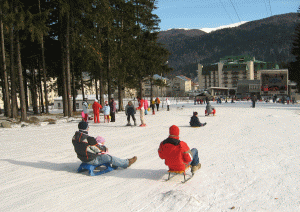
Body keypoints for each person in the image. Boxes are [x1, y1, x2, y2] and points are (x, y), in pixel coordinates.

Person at [72, 121, 137, 169]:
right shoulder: (89, 139)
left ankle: (117, 162)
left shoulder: (74, 137)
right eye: (88, 126)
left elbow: (84, 147)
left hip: (82, 158)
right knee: (108, 157)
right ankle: (126, 163)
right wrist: (104, 148)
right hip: (91, 159)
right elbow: (98, 149)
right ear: (87, 128)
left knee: (105, 156)